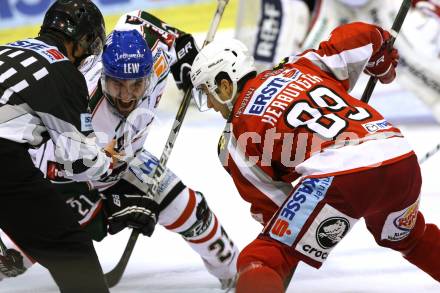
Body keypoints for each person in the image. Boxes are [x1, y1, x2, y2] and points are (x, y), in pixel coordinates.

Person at [190, 21, 440, 292]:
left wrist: (277, 262)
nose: (211, 106)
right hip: (399, 157)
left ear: (225, 85)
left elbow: (274, 210)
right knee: (408, 237)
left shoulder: (236, 138)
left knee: (262, 258)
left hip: (342, 175)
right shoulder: (298, 66)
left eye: (207, 93)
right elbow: (359, 36)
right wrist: (381, 60)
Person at [0, 10, 238, 289]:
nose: (127, 96)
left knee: (193, 212)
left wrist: (186, 55)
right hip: (69, 175)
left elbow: (143, 21)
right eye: (117, 84)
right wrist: (104, 213)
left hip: (124, 159)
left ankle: (238, 274)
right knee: (13, 256)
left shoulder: (152, 53)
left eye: (137, 84)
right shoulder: (80, 101)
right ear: (103, 76)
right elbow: (45, 176)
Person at [0, 0, 119, 292]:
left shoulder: (8, 49)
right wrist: (107, 161)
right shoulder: (65, 73)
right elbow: (78, 161)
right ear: (83, 40)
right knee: (72, 249)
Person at [236, 0, 440, 120]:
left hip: (376, 5)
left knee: (417, 65)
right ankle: (265, 120)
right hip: (325, 7)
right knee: (278, 79)